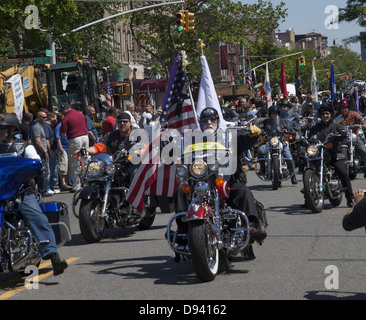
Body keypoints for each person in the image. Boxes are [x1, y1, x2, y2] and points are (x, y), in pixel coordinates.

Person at [174, 107, 267, 244]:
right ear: (201, 123)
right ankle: (183, 228)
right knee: (180, 192)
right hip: (199, 181)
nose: (209, 122)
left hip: (225, 180)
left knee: (243, 191)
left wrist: (252, 135)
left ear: (218, 121)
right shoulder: (193, 139)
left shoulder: (228, 136)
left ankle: (251, 225)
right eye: (205, 120)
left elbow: (244, 142)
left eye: (212, 119)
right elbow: (181, 153)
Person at [0, 113, 68, 276]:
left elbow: (36, 162)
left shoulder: (24, 147)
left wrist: (36, 167)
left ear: (11, 130)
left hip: (21, 192)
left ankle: (53, 255)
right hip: (1, 192)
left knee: (36, 217)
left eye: (1, 128)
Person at [308, 102, 354, 207]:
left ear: (331, 114)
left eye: (327, 113)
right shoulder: (315, 128)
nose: (325, 116)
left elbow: (342, 131)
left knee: (343, 173)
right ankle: (308, 198)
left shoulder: (336, 126)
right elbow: (309, 137)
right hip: (319, 154)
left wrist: (342, 133)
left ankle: (350, 198)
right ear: (320, 115)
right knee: (309, 169)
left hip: (333, 153)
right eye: (323, 114)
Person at [76, 112, 142, 184]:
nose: (122, 123)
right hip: (113, 164)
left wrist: (138, 152)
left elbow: (145, 147)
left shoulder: (137, 134)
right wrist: (85, 150)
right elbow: (100, 147)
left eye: (125, 122)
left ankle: (135, 194)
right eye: (119, 122)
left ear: (130, 123)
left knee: (135, 174)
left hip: (132, 164)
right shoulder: (111, 135)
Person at [257, 105, 298, 184]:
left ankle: (293, 176)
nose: (274, 115)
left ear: (278, 114)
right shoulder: (266, 122)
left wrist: (292, 131)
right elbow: (260, 126)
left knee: (289, 157)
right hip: (269, 141)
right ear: (270, 114)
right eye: (272, 113)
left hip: (280, 141)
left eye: (275, 113)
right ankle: (262, 169)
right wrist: (258, 129)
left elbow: (288, 128)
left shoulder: (282, 122)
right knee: (261, 152)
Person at [59, 103, 89, 193]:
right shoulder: (80, 114)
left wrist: (61, 133)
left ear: (65, 109)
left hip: (75, 139)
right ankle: (87, 182)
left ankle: (76, 186)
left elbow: (63, 134)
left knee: (74, 162)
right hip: (85, 137)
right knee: (85, 160)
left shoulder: (66, 118)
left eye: (61, 111)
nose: (61, 113)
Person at [338, 100, 366, 178]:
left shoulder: (354, 114)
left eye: (345, 108)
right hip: (343, 139)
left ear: (348, 108)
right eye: (342, 108)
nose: (344, 110)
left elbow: (361, 120)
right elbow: (333, 123)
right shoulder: (339, 117)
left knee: (364, 151)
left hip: (354, 138)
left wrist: (363, 124)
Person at [31, 110, 49, 195]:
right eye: (44, 117)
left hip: (42, 152)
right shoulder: (36, 127)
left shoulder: (41, 126)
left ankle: (43, 190)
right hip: (40, 153)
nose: (46, 119)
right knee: (42, 172)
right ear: (39, 118)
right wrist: (45, 151)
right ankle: (42, 191)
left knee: (45, 172)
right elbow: (37, 141)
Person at [44, 112, 60, 195]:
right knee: (49, 170)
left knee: (53, 169)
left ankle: (52, 187)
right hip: (50, 151)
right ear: (51, 118)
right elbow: (47, 139)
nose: (56, 120)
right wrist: (49, 150)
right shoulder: (46, 127)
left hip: (54, 150)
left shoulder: (50, 126)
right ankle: (48, 187)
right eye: (55, 118)